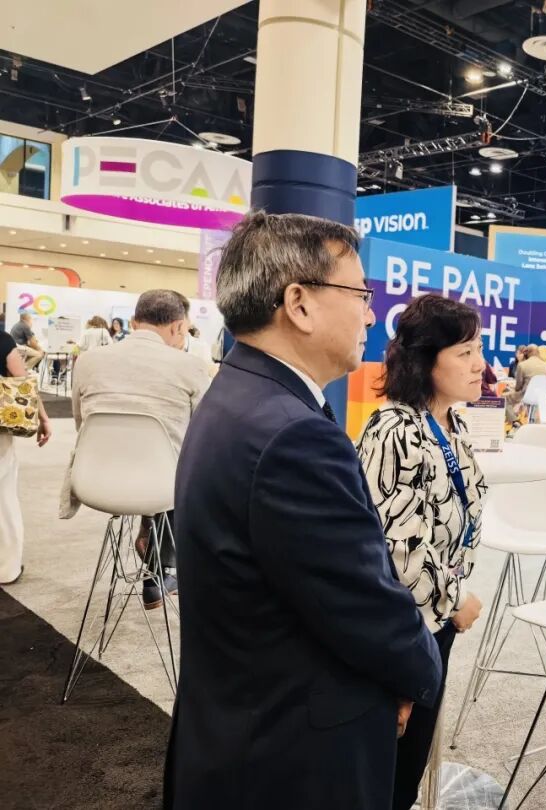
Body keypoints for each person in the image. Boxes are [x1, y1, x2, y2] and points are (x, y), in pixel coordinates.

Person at [163, 211, 442, 810]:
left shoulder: (240, 395)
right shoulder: (293, 434)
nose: (371, 315)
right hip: (292, 753)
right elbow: (361, 602)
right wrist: (419, 670)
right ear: (299, 304)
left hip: (240, 726)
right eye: (361, 294)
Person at [358, 293, 488, 810]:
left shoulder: (452, 423)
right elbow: (396, 550)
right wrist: (456, 599)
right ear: (425, 360)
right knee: (387, 775)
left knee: (406, 771)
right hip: (404, 625)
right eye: (465, 353)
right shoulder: (395, 430)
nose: (480, 364)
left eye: (479, 349)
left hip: (436, 618)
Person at [62, 290, 209, 609]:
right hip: (161, 486)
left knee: (165, 467)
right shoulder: (191, 366)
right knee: (191, 468)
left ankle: (151, 541)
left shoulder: (88, 362)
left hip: (93, 481)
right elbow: (204, 436)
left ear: (132, 322)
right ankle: (164, 567)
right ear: (178, 327)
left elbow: (80, 423)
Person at [0, 327, 52, 584]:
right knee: (3, 500)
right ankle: (6, 569)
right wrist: (43, 418)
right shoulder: (2, 340)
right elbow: (23, 384)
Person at [505, 344, 546, 424]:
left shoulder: (522, 365)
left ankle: (515, 421)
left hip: (526, 396)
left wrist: (513, 388)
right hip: (543, 396)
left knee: (504, 398)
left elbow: (518, 387)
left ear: (527, 353)